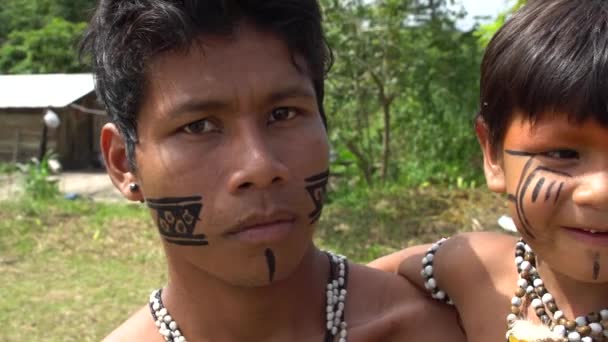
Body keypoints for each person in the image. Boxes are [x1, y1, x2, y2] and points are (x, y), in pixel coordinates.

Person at [82, 1, 464, 341]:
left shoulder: (443, 329)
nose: (259, 166)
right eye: (198, 126)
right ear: (122, 163)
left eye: (283, 114)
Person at [369, 1, 608, 341]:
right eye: (561, 153)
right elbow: (354, 283)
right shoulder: (476, 268)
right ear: (494, 155)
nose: (600, 190)